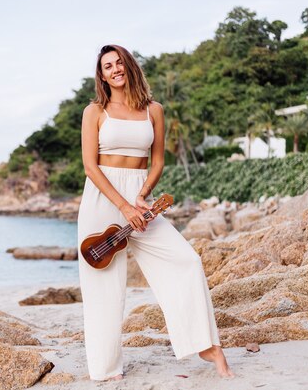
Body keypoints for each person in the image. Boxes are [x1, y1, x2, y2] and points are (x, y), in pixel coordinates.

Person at [77, 44, 234, 381]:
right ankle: (106, 369)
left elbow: (158, 161)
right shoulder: (95, 111)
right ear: (101, 75)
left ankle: (207, 346)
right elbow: (90, 166)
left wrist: (141, 197)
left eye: (119, 62)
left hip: (140, 196)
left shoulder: (154, 110)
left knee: (186, 260)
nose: (115, 69)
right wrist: (122, 205)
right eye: (107, 66)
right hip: (103, 196)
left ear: (129, 66)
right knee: (103, 285)